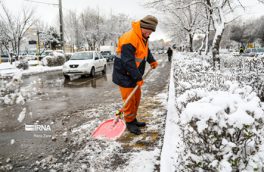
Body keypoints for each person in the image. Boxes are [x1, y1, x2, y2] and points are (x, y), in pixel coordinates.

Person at [112, 15, 159, 135]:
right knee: (128, 101)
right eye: (148, 31)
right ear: (143, 27)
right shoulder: (130, 38)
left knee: (136, 99)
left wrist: (152, 61)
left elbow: (145, 51)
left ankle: (133, 119)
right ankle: (129, 122)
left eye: (151, 32)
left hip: (133, 74)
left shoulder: (143, 37)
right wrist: (138, 78)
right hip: (124, 75)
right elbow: (128, 62)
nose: (149, 34)